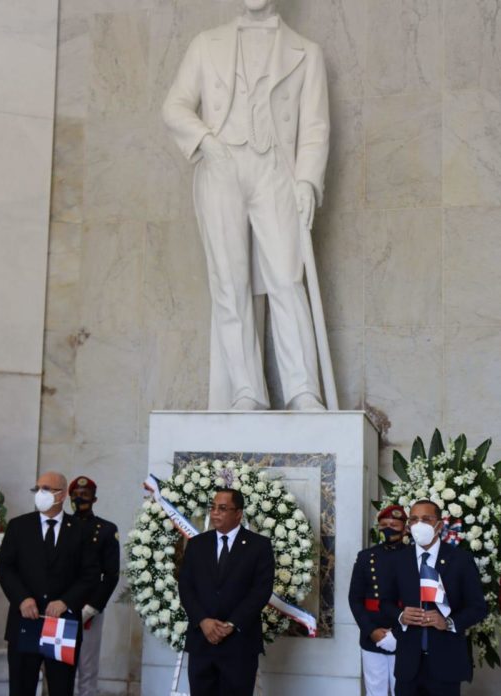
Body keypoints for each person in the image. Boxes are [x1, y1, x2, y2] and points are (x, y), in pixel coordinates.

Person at [163, 0, 330, 411]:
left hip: (276, 168)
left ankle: (302, 389)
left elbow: (314, 125)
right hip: (220, 167)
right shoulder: (206, 44)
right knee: (229, 282)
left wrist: (307, 180)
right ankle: (246, 389)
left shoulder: (306, 52)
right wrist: (206, 141)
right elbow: (174, 106)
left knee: (287, 277)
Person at [383, 500, 487, 696]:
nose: (418, 525)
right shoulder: (399, 560)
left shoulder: (459, 560)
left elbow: (478, 607)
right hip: (409, 666)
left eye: (425, 519)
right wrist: (401, 616)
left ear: (439, 524)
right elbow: (386, 603)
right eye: (413, 519)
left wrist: (449, 621)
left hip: (445, 666)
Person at [0, 471, 99, 696]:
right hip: (26, 621)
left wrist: (66, 602)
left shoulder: (80, 530)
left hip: (61, 624)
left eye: (46, 489)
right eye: (37, 489)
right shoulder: (19, 526)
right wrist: (22, 599)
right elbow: (5, 569)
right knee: (20, 695)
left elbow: (90, 575)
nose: (40, 494)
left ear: (61, 495)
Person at [178, 489, 275, 696]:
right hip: (203, 640)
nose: (215, 513)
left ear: (238, 514)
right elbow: (186, 587)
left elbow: (260, 591)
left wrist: (231, 624)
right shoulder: (197, 544)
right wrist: (203, 620)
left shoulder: (258, 546)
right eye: (213, 507)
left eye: (222, 508)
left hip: (239, 644)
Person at [348, 504, 407, 696]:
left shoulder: (414, 557)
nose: (389, 529)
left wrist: (397, 632)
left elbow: (416, 600)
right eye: (385, 524)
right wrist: (372, 631)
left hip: (404, 635)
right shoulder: (366, 557)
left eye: (395, 524)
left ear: (404, 527)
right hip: (372, 637)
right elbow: (355, 599)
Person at [69, 475, 120, 696]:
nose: (80, 499)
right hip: (61, 605)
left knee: (87, 665)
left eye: (85, 495)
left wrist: (92, 607)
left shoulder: (107, 530)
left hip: (90, 607)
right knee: (60, 664)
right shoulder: (62, 526)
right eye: (77, 495)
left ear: (95, 498)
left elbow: (111, 574)